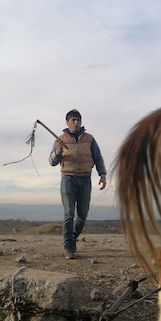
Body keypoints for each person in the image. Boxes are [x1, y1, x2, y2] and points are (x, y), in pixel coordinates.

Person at [49, 109, 107, 259]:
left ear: (81, 122)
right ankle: (68, 246)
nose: (76, 122)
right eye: (73, 120)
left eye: (78, 120)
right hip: (68, 179)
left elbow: (98, 157)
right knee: (69, 213)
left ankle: (72, 238)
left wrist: (103, 175)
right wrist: (59, 152)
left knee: (82, 215)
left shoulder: (89, 139)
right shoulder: (60, 140)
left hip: (85, 180)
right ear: (67, 122)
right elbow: (52, 162)